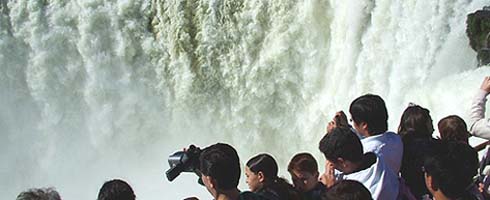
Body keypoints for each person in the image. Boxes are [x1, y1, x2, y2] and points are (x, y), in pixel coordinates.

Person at [318, 127, 399, 199]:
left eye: (331, 163)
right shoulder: (377, 159)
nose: (329, 166)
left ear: (342, 162)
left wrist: (330, 188)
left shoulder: (356, 189)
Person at [349, 94, 403, 175]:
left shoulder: (367, 153)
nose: (353, 123)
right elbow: (370, 137)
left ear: (364, 125)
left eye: (352, 120)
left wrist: (334, 135)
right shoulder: (395, 139)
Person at [397, 104, 437, 198]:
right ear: (423, 124)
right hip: (428, 191)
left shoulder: (399, 144)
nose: (433, 125)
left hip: (407, 192)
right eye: (430, 121)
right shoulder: (433, 146)